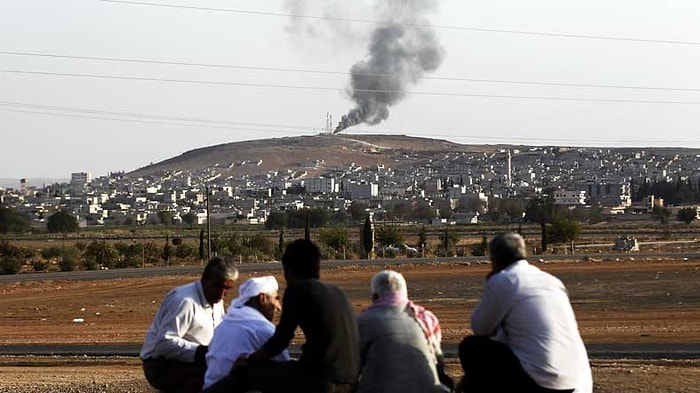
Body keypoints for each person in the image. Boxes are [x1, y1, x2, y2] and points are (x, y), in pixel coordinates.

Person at [208, 239, 360, 393]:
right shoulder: (338, 293)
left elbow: (281, 340)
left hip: (320, 378)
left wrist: (249, 361)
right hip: (350, 379)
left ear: (288, 271)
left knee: (245, 373)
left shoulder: (298, 290)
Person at [458, 233, 592, 393]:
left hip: (542, 380)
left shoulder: (505, 280)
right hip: (577, 381)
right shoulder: (551, 281)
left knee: (472, 347)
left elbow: (480, 327)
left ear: (495, 258)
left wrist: (491, 283)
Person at [140, 256, 238, 393]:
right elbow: (164, 344)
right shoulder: (184, 301)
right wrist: (202, 352)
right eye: (218, 286)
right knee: (215, 379)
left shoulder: (216, 300)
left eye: (227, 288)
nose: (222, 294)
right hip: (161, 364)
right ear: (205, 279)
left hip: (194, 360)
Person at [356, 270, 447, 393]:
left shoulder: (363, 321)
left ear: (374, 296)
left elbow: (352, 365)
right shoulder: (426, 317)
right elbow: (438, 361)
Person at [202, 276, 290, 390]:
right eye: (276, 299)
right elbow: (287, 370)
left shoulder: (224, 325)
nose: (279, 307)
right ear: (263, 298)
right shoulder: (262, 329)